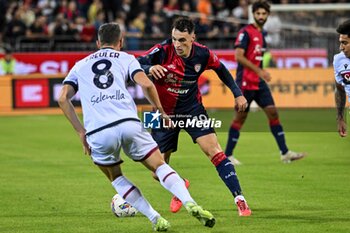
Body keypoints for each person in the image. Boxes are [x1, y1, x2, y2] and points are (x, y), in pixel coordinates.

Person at [58, 22, 215, 231]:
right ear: (120, 42)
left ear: (97, 43)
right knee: (160, 166)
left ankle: (154, 218)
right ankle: (189, 202)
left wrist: (80, 131)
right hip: (128, 123)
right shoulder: (126, 58)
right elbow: (147, 84)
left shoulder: (79, 65)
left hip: (98, 131)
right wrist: (160, 111)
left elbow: (62, 99)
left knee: (116, 176)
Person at [137, 17, 252, 217]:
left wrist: (237, 93)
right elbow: (137, 62)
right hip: (162, 113)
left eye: (182, 40)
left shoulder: (203, 53)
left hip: (192, 110)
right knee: (156, 171)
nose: (177, 44)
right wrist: (148, 68)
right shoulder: (163, 50)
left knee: (215, 151)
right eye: (174, 39)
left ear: (193, 38)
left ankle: (240, 199)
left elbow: (222, 70)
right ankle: (180, 184)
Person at [225, 0, 305, 165]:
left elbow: (257, 58)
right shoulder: (245, 32)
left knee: (273, 113)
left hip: (259, 83)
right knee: (240, 118)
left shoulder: (263, 35)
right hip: (245, 83)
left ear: (268, 15)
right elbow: (238, 56)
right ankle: (227, 156)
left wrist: (260, 73)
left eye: (264, 14)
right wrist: (259, 71)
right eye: (258, 13)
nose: (261, 16)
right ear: (253, 14)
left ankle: (285, 152)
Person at [334, 19, 350, 137]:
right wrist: (340, 117)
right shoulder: (339, 60)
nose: (341, 47)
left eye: (345, 43)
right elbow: (339, 88)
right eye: (340, 42)